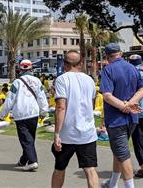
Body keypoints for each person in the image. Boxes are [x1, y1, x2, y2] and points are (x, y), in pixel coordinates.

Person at [100, 43, 143, 188]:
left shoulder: (108, 69)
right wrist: (131, 104)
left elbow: (107, 96)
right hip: (131, 118)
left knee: (123, 155)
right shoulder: (132, 68)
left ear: (107, 56)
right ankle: (112, 183)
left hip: (116, 120)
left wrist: (124, 106)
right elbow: (142, 89)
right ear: (120, 53)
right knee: (119, 151)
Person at [51, 51, 99, 188]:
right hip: (87, 132)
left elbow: (60, 107)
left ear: (64, 64)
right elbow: (92, 103)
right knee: (90, 170)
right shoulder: (90, 80)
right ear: (80, 63)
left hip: (67, 133)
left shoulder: (62, 79)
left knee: (60, 168)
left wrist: (56, 134)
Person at [0, 59, 49, 172]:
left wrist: (3, 114)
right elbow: (42, 97)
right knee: (30, 139)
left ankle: (32, 161)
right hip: (34, 114)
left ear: (20, 68)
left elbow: (10, 99)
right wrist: (43, 111)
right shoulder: (37, 81)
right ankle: (23, 160)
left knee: (26, 140)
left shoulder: (17, 82)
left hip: (21, 114)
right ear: (31, 68)